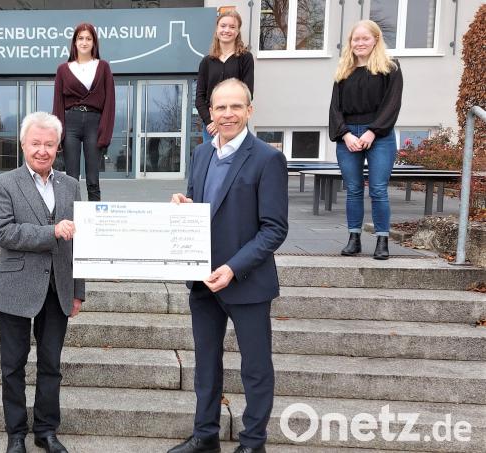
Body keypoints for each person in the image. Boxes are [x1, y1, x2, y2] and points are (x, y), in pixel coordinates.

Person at [169, 79, 288, 453]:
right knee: (206, 363)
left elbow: (274, 229)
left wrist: (234, 268)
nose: (228, 114)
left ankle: (253, 442)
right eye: (220, 108)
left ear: (249, 111)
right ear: (211, 113)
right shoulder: (202, 154)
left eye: (236, 107)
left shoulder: (268, 159)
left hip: (246, 282)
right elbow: (207, 208)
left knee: (255, 367)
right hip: (203, 281)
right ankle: (205, 436)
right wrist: (185, 207)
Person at [0, 111, 85, 453]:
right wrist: (51, 232)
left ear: (58, 147)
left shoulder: (71, 185)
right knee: (12, 365)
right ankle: (16, 433)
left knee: (51, 365)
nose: (42, 150)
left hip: (58, 286)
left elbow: (80, 242)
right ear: (23, 144)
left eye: (49, 144)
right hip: (16, 287)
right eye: (35, 143)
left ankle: (46, 430)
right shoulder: (4, 184)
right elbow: (5, 232)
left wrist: (78, 292)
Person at [330, 20, 403, 260]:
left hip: (379, 135)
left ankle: (382, 240)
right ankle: (354, 239)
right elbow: (335, 108)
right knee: (352, 189)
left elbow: (392, 104)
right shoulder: (344, 71)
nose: (359, 43)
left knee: (379, 189)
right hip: (348, 134)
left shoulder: (390, 68)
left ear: (376, 40)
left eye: (365, 39)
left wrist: (372, 131)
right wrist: (346, 134)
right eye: (355, 39)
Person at [52, 22, 115, 201]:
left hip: (94, 124)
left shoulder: (103, 67)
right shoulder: (63, 69)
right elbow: (58, 103)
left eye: (88, 38)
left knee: (93, 180)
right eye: (80, 38)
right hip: (70, 123)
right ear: (74, 42)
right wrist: (58, 134)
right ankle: (71, 223)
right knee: (71, 179)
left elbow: (110, 102)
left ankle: (94, 223)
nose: (84, 42)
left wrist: (105, 132)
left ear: (94, 43)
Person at [195, 10, 254, 144]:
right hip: (211, 127)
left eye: (232, 27)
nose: (227, 30)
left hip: (236, 123)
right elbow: (199, 98)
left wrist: (229, 117)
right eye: (223, 26)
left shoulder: (245, 58)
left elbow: (248, 93)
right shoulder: (206, 62)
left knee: (238, 162)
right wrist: (212, 121)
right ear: (217, 29)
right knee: (212, 162)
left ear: (238, 32)